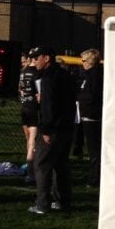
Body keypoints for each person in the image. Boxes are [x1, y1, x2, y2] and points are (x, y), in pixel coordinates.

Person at [28, 47, 76, 215]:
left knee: (42, 165)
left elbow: (49, 107)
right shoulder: (66, 75)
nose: (34, 61)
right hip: (67, 127)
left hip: (53, 128)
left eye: (36, 58)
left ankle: (42, 204)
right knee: (61, 165)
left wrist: (46, 130)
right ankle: (63, 200)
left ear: (47, 58)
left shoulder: (48, 79)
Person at [76, 48, 104, 187]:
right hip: (87, 116)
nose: (82, 63)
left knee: (95, 151)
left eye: (84, 61)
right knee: (92, 150)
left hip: (93, 118)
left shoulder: (95, 76)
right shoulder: (88, 75)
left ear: (90, 61)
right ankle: (94, 176)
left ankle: (95, 178)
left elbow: (92, 96)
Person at [18, 51, 39, 184]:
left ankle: (30, 166)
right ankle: (31, 172)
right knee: (33, 141)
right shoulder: (36, 73)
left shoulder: (22, 72)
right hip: (33, 108)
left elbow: (20, 89)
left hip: (24, 106)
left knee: (29, 139)